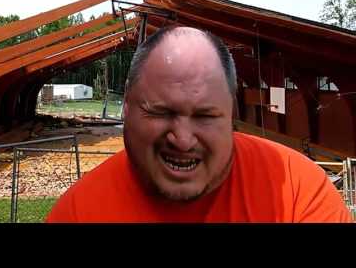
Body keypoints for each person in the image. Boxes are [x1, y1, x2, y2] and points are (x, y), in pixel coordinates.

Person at [46, 26, 353, 223]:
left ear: (232, 113)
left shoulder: (296, 189)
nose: (182, 139)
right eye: (161, 112)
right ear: (126, 106)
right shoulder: (78, 212)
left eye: (205, 116)